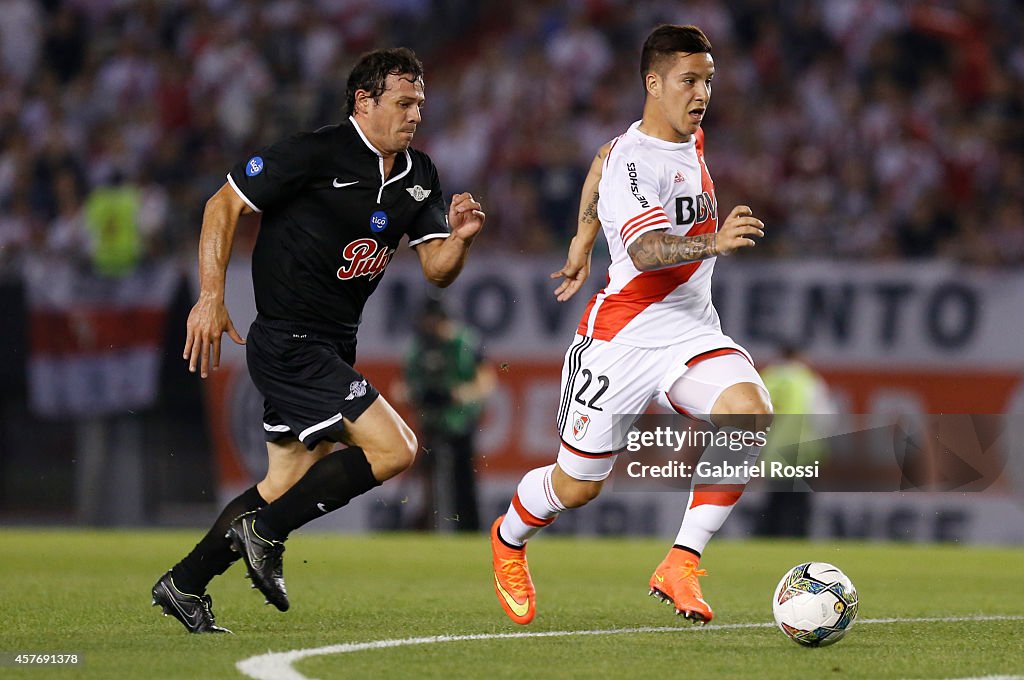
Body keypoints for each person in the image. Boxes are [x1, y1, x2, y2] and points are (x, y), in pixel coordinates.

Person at [151, 47, 485, 634]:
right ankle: (267, 532)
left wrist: (459, 239)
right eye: (403, 103)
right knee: (397, 449)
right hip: (288, 340)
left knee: (284, 484)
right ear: (365, 100)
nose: (415, 115)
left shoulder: (419, 174)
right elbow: (223, 203)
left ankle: (184, 583)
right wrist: (210, 296)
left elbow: (436, 268)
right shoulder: (314, 153)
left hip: (333, 344)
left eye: (420, 105)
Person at [490, 24, 772, 626]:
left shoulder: (677, 139)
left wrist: (581, 239)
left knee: (749, 413)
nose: (702, 94)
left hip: (691, 332)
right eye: (689, 81)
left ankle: (681, 562)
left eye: (708, 82)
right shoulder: (639, 163)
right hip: (620, 342)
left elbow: (598, 157)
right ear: (653, 83)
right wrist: (714, 243)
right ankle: (509, 539)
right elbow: (644, 253)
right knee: (578, 485)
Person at [397, 296, 495, 531]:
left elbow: (487, 380)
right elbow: (402, 387)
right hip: (432, 420)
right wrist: (417, 394)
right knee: (429, 481)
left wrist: (461, 394)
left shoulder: (465, 341)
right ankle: (431, 527)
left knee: (464, 481)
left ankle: (469, 530)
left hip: (460, 420)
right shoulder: (420, 345)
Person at [756, 343, 834, 537]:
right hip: (801, 452)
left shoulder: (767, 378)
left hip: (772, 453)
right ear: (799, 355)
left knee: (774, 501)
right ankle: (794, 541)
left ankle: (765, 541)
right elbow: (824, 419)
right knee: (798, 505)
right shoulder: (807, 381)